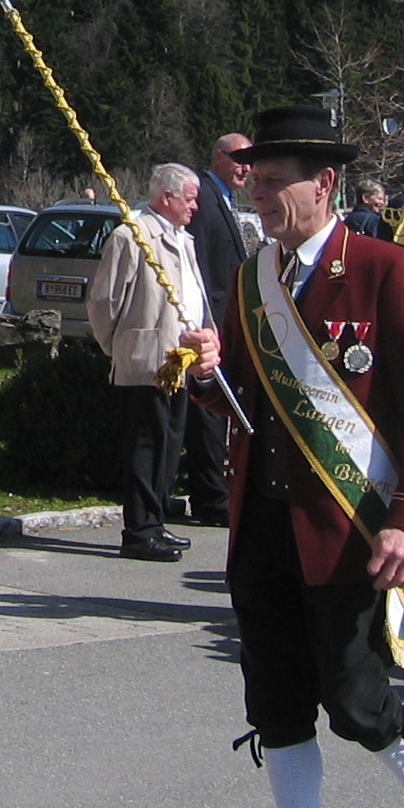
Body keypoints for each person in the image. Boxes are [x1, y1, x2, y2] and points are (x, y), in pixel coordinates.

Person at [183, 104, 404, 808]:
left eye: (275, 180)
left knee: (353, 699)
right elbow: (243, 401)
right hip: (263, 529)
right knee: (276, 705)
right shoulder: (252, 279)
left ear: (324, 183)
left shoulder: (384, 270)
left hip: (348, 528)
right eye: (254, 180)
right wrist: (206, 373)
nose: (259, 194)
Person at [87, 164, 218, 562]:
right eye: (190, 199)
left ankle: (155, 521)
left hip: (181, 361)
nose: (195, 207)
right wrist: (119, 347)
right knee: (145, 446)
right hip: (145, 361)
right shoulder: (132, 236)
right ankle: (139, 532)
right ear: (167, 197)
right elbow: (103, 301)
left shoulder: (183, 239)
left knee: (169, 445)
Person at [181, 132, 257, 524]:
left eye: (250, 161)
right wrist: (206, 321)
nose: (247, 168)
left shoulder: (224, 199)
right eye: (240, 159)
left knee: (216, 414)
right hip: (209, 322)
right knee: (209, 414)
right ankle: (212, 500)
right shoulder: (204, 198)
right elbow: (199, 266)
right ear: (219, 157)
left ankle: (213, 493)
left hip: (225, 320)